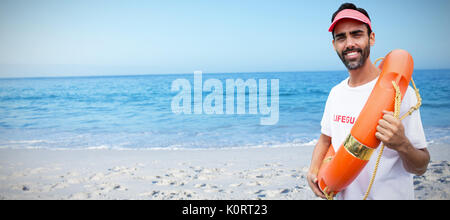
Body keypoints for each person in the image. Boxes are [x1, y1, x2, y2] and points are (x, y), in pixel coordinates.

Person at [307, 3, 430, 200]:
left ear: (371, 38)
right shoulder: (336, 93)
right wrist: (313, 170)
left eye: (357, 34)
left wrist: (402, 145)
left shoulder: (399, 93)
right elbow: (325, 140)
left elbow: (421, 166)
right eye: (341, 37)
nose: (349, 44)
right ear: (334, 45)